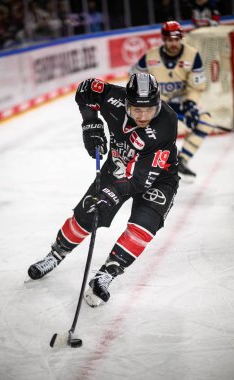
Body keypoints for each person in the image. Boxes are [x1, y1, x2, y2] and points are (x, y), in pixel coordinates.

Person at [27, 73, 179, 307]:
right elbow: (85, 90)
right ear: (126, 102)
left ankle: (107, 273)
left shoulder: (166, 124)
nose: (143, 116)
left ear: (158, 104)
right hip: (118, 165)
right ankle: (55, 254)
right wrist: (90, 123)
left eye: (149, 109)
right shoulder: (112, 97)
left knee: (144, 226)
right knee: (87, 214)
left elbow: (139, 180)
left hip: (158, 177)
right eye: (136, 109)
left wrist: (112, 194)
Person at [130, 20, 214, 182]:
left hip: (182, 103)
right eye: (169, 40)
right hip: (157, 105)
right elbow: (134, 77)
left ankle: (181, 160)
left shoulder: (192, 55)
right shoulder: (150, 56)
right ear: (164, 39)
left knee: (205, 121)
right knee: (148, 133)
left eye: (176, 39)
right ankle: (145, 167)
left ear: (181, 38)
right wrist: (145, 99)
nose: (173, 43)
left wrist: (190, 105)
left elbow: (196, 86)